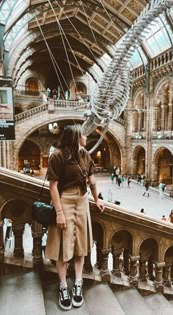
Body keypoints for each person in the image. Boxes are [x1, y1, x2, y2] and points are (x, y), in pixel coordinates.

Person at [45, 125, 104, 311]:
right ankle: (63, 286)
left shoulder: (84, 154)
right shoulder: (58, 155)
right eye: (83, 134)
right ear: (75, 137)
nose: (86, 136)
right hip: (65, 200)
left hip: (83, 201)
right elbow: (53, 186)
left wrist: (96, 199)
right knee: (63, 247)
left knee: (80, 247)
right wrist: (60, 212)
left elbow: (92, 179)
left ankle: (78, 283)